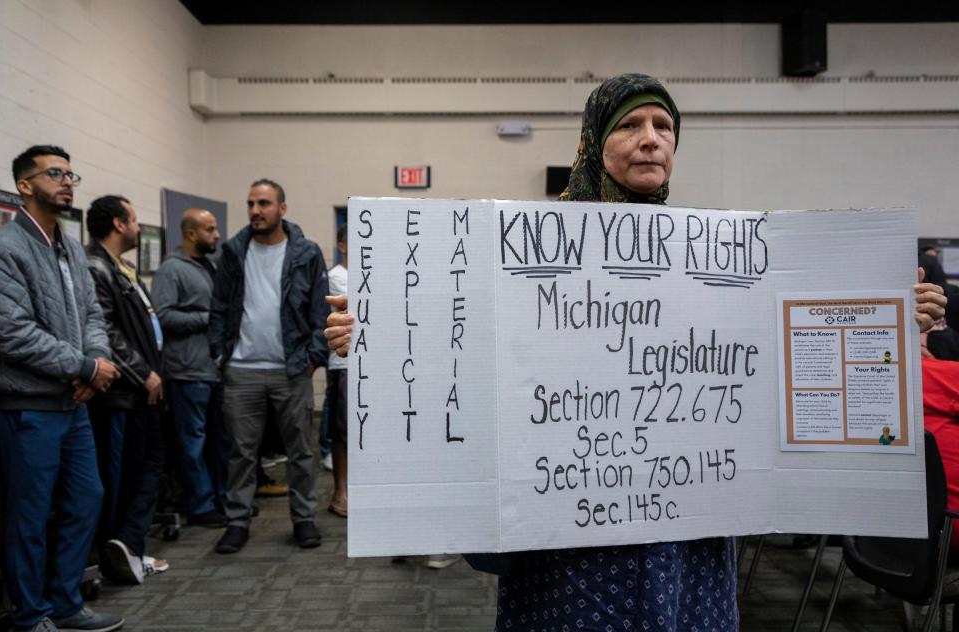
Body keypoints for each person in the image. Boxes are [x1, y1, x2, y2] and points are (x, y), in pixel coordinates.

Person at [324, 74, 949, 630]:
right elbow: (464, 351)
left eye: (665, 126)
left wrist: (894, 318)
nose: (652, 138)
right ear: (595, 141)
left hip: (688, 542)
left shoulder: (723, 258)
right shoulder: (521, 253)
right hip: (564, 546)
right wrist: (384, 340)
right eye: (630, 124)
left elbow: (785, 357)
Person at [0, 146, 124, 632]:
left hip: (72, 404)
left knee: (85, 498)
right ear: (25, 185)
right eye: (55, 173)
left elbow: (93, 316)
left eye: (71, 173)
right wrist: (84, 367)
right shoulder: (7, 248)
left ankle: (65, 602)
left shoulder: (71, 247)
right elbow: (11, 331)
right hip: (28, 406)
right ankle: (30, 616)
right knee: (29, 515)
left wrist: (96, 364)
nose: (68, 181)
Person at [210, 178, 330, 554]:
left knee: (300, 451)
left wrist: (313, 358)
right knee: (241, 453)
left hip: (291, 369)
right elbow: (219, 308)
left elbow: (319, 310)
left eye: (264, 203)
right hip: (241, 369)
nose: (255, 211)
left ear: (282, 208)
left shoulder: (306, 253)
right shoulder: (233, 251)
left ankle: (304, 519)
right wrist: (220, 356)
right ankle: (237, 522)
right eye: (250, 204)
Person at [84, 195, 169, 585]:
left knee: (147, 467)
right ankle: (117, 549)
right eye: (134, 219)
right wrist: (143, 374)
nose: (138, 227)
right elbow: (106, 333)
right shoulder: (95, 267)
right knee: (119, 476)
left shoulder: (124, 267)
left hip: (141, 391)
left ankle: (129, 545)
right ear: (119, 224)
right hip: (121, 393)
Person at [151, 208, 230, 528]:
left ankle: (222, 501)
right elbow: (164, 316)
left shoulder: (208, 267)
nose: (217, 235)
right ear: (191, 234)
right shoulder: (171, 270)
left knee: (219, 441)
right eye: (210, 229)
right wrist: (207, 318)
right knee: (192, 442)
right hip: (186, 371)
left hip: (212, 370)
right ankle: (200, 505)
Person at [326, 223, 348, 518]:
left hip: (372, 366)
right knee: (342, 430)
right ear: (342, 246)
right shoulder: (334, 278)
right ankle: (340, 490)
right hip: (343, 364)